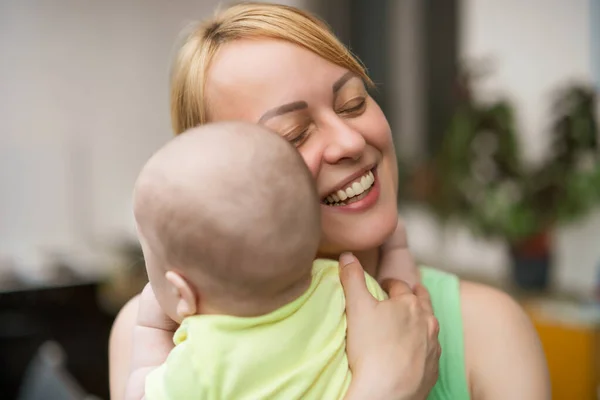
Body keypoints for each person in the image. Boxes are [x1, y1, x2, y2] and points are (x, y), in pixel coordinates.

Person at [110, 3, 550, 400]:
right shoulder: (154, 339)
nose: (350, 140)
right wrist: (384, 389)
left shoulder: (490, 330)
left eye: (353, 103)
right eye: (294, 135)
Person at [132, 121, 404, 399]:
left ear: (183, 293)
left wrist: (149, 331)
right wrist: (397, 250)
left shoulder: (200, 361)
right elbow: (401, 322)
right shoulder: (346, 288)